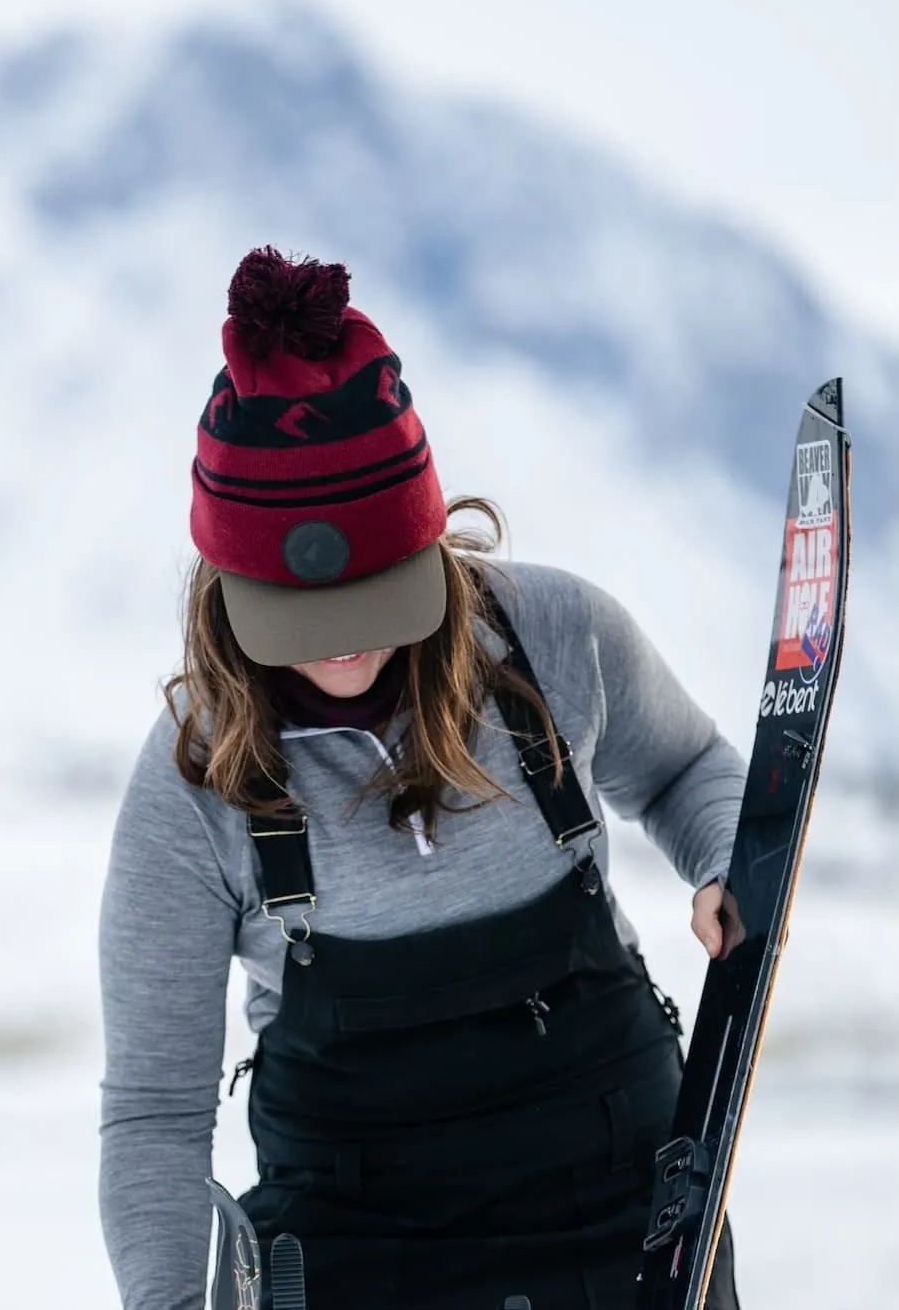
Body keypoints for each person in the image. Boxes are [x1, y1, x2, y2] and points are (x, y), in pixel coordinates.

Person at [97, 246, 745, 1310]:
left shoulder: (557, 637)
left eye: (376, 597)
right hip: (357, 1251)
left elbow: (685, 771)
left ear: (430, 543)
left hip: (630, 1219)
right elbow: (153, 1118)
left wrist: (725, 861)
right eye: (306, 619)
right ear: (230, 585)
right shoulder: (191, 787)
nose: (347, 648)